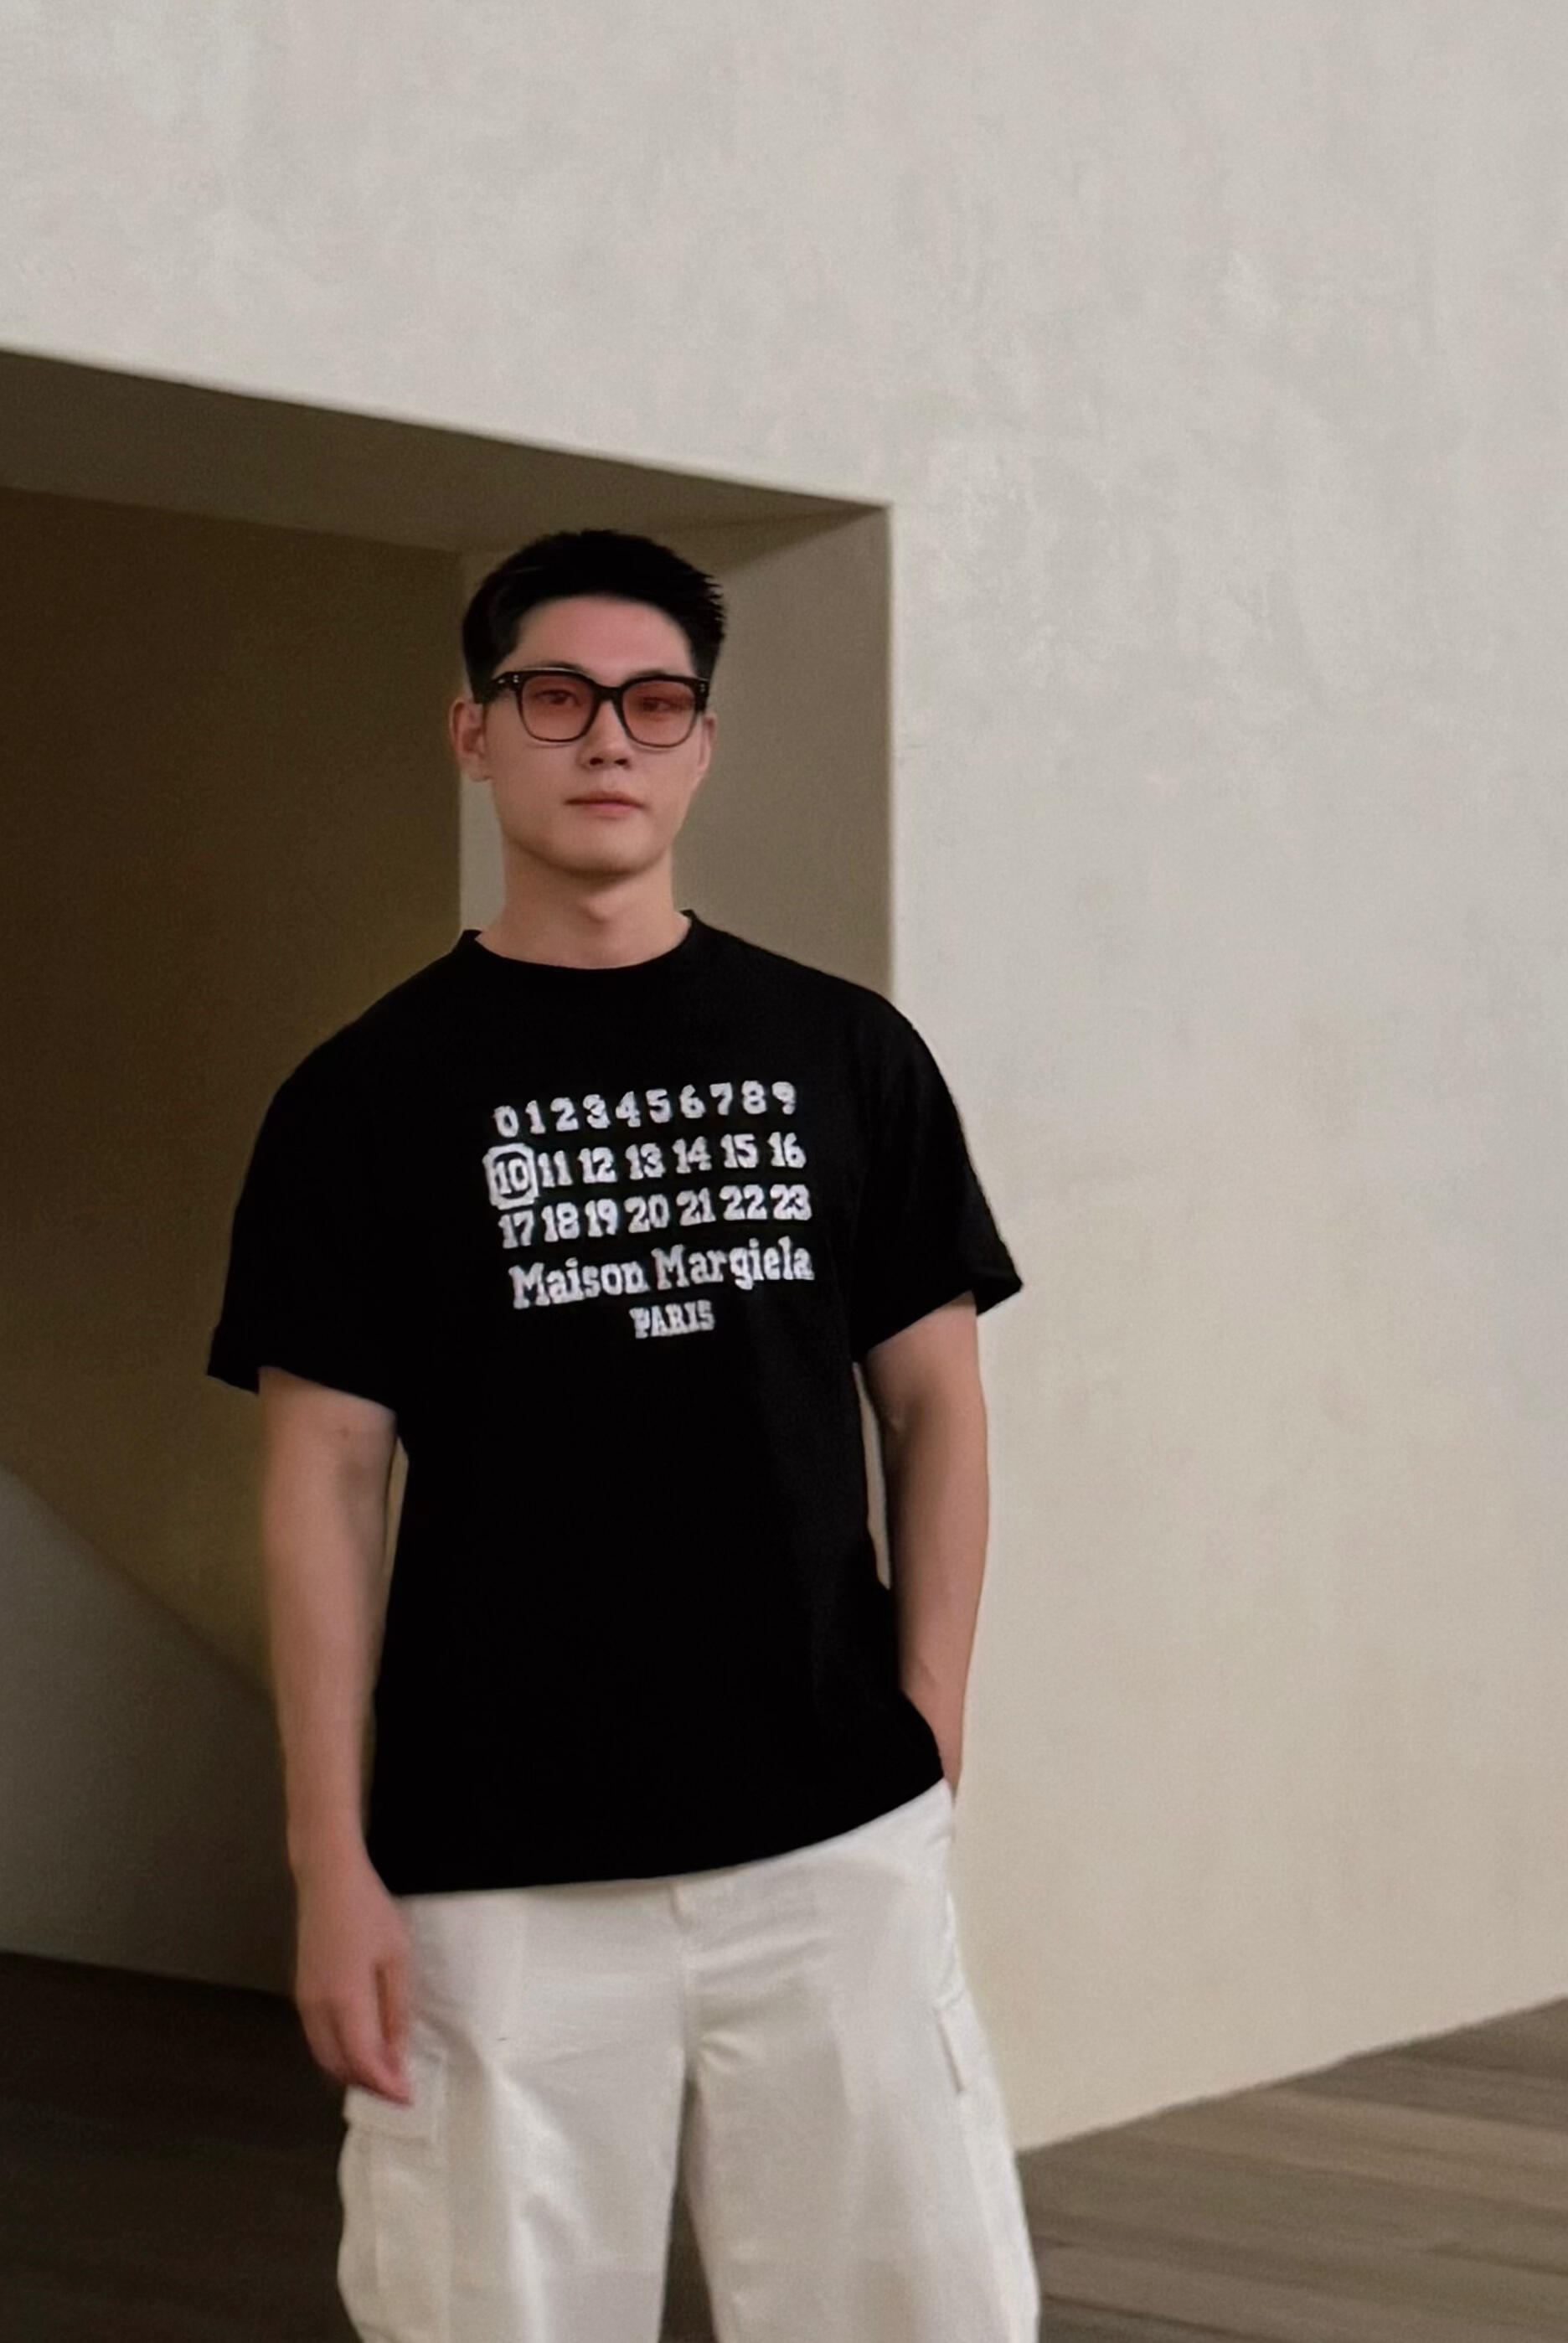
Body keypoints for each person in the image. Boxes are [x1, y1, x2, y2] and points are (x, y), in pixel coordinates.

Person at [207, 528, 1040, 2343]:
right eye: (556, 695)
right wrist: (329, 1856)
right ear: (474, 732)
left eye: (655, 702)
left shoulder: (844, 1052)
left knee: (910, 2311)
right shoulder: (362, 1101)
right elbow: (322, 1487)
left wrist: (928, 1729)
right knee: (484, 2316)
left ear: (700, 746)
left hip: (828, 1831)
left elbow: (935, 1406)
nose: (607, 736)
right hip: (491, 1862)